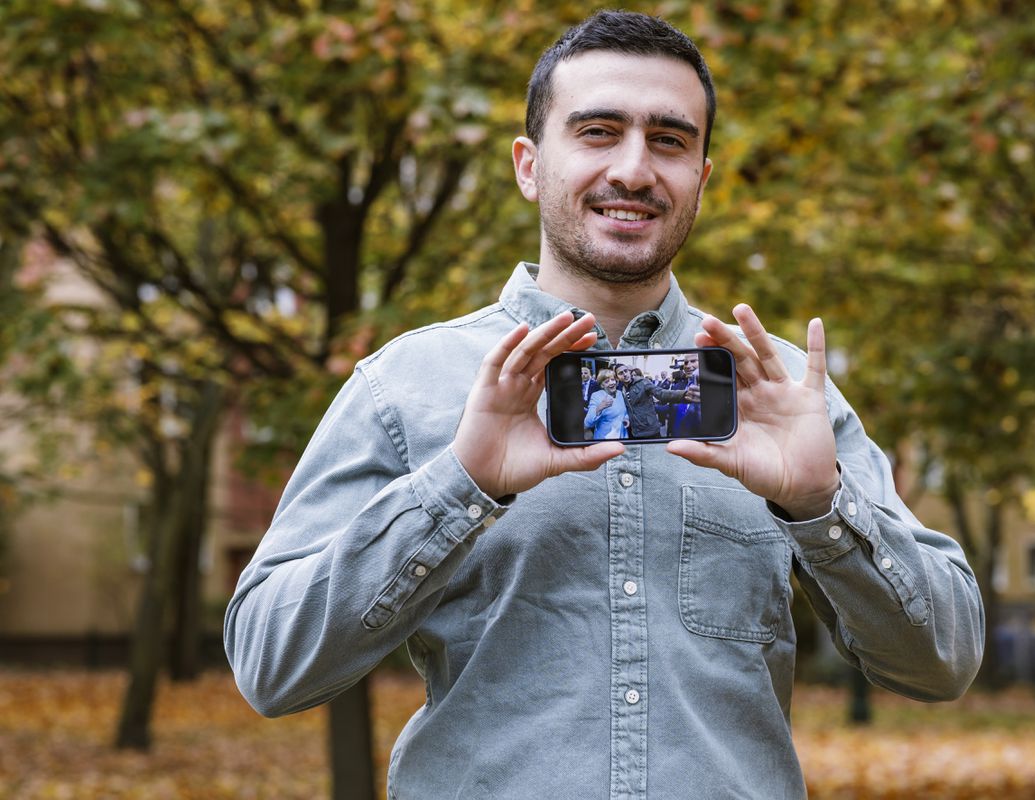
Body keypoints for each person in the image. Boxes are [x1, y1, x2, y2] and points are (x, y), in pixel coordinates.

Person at [224, 10, 984, 799]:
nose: (633, 169)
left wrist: (822, 510)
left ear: (701, 176)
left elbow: (944, 665)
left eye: (669, 140)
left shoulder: (780, 392)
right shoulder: (404, 386)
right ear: (528, 165)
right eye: (596, 131)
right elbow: (268, 664)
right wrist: (459, 486)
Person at [616, 362, 697, 438]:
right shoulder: (621, 389)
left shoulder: (643, 382)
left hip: (650, 430)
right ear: (617, 377)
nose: (625, 374)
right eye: (621, 373)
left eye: (626, 371)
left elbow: (661, 393)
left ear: (629, 372)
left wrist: (684, 394)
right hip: (635, 432)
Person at [584, 368, 629, 439]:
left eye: (612, 380)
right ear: (602, 385)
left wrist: (626, 419)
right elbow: (588, 423)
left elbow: (624, 412)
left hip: (622, 436)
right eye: (607, 381)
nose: (611, 383)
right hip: (605, 439)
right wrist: (600, 408)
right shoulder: (596, 396)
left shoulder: (620, 393)